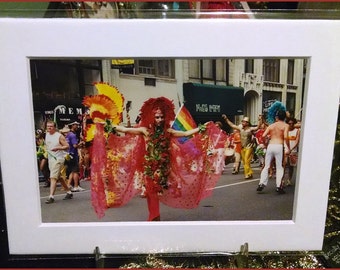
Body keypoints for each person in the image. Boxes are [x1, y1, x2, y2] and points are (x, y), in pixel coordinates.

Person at [114, 99, 206, 221]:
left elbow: (185, 134)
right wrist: (107, 125)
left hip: (162, 167)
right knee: (151, 192)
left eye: (161, 117)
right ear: (152, 117)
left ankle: (154, 217)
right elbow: (125, 130)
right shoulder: (145, 131)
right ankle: (154, 216)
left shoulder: (168, 131)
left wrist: (201, 128)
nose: (159, 120)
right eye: (157, 117)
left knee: (155, 192)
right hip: (149, 167)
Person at [256, 110, 289, 194]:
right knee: (279, 166)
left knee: (266, 165)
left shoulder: (271, 126)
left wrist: (265, 143)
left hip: (271, 145)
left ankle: (261, 184)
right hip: (279, 145)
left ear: (276, 117)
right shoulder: (285, 125)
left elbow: (263, 136)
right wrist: (288, 147)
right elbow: (286, 137)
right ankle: (279, 186)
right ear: (284, 117)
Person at [222, 114, 261, 179]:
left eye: (244, 122)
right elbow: (232, 125)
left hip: (249, 147)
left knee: (246, 160)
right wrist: (226, 119)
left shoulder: (251, 129)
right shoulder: (240, 129)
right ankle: (250, 173)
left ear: (247, 123)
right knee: (245, 162)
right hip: (242, 148)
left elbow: (258, 127)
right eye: (242, 121)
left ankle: (247, 174)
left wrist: (260, 119)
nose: (242, 123)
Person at [44, 120, 73, 204]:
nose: (49, 128)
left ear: (55, 127)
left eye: (51, 126)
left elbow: (67, 146)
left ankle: (51, 197)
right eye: (48, 126)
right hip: (50, 158)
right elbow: (47, 145)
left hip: (58, 159)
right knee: (59, 177)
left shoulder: (59, 136)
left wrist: (58, 148)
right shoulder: (47, 135)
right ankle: (69, 192)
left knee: (53, 177)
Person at [65, 121, 85, 192]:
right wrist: (81, 143)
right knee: (76, 171)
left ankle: (69, 185)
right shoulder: (73, 135)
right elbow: (75, 145)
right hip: (73, 154)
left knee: (72, 171)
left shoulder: (68, 135)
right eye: (76, 125)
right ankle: (76, 186)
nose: (77, 126)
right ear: (72, 125)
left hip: (68, 154)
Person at [284, 117, 300, 186]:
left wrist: (291, 149)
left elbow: (297, 141)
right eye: (289, 123)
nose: (291, 125)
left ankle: (289, 180)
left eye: (292, 123)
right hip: (286, 150)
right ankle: (282, 180)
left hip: (293, 151)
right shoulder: (285, 131)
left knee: (291, 166)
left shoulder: (297, 130)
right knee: (284, 165)